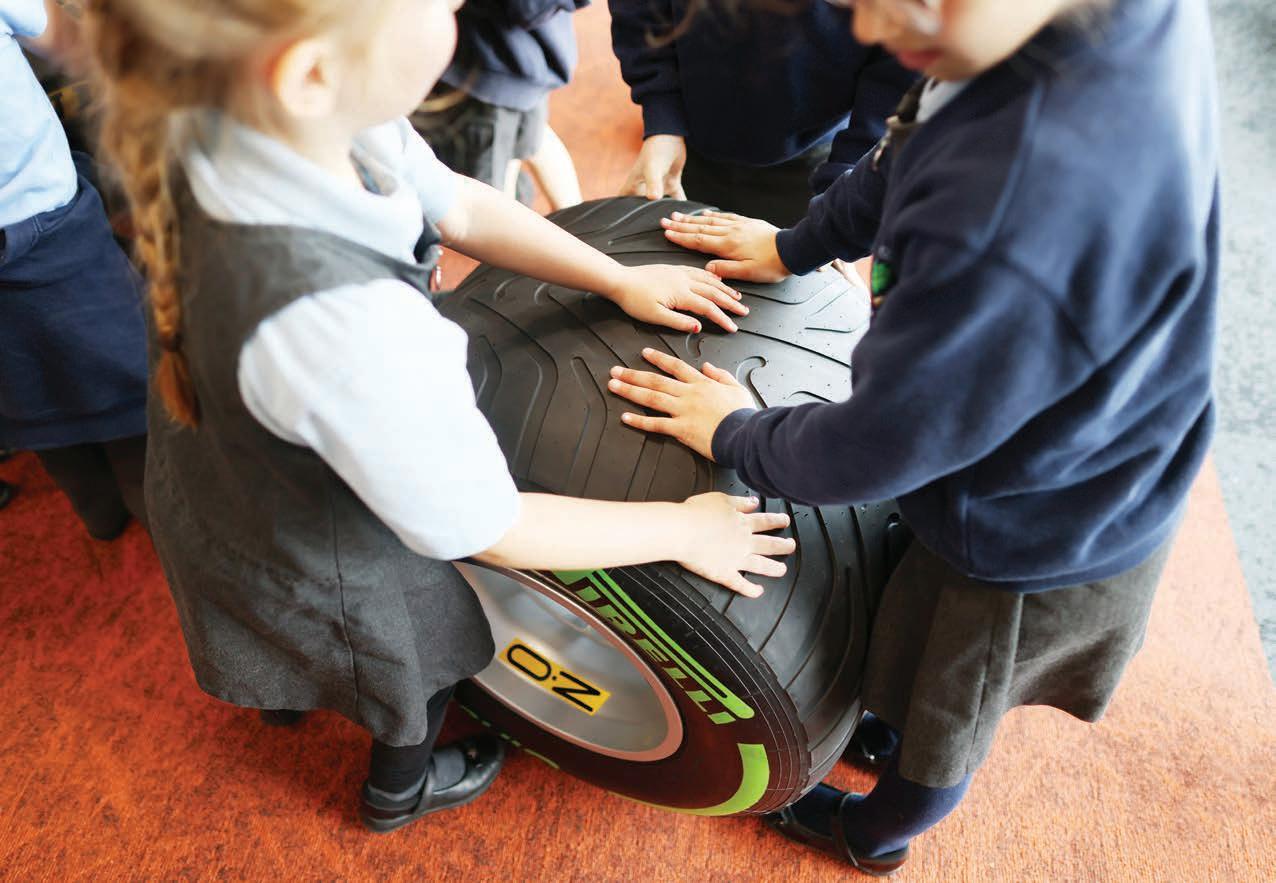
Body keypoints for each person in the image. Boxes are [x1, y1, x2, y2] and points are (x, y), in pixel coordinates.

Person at [83, 0, 793, 835]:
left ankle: (285, 696)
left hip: (222, 476)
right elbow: (487, 527)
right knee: (405, 663)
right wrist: (685, 528)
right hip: (325, 553)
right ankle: (399, 788)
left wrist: (614, 276)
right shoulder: (351, 328)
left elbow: (457, 204)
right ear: (310, 71)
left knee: (274, 631)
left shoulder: (250, 119)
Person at [606, 0, 1218, 872]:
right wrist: (796, 245)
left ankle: (876, 833)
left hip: (1036, 533)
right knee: (911, 620)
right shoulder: (1036, 37)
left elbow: (879, 445)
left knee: (947, 717)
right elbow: (907, 140)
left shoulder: (1010, 216)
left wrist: (735, 431)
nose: (869, 29)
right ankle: (885, 720)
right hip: (1021, 443)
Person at [0, 0, 147, 541]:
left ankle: (101, 517)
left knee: (37, 413)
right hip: (52, 233)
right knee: (130, 403)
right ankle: (161, 517)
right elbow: (72, 43)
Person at [608, 0, 914, 227]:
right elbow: (639, 10)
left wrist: (840, 205)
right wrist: (663, 117)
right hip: (688, 144)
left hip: (811, 161)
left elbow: (896, 79)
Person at [412, 0, 586, 210]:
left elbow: (528, 8)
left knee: (486, 200)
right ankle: (578, 221)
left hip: (488, 73)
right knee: (531, 140)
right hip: (515, 64)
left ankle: (554, 223)